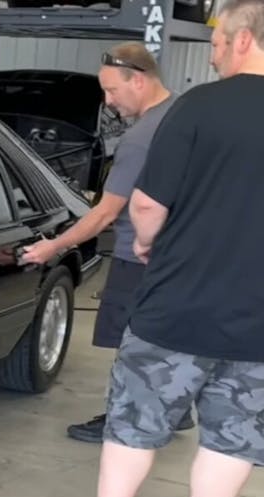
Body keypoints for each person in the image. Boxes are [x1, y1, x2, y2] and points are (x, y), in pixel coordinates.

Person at [48, 0, 264, 497]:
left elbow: (146, 205)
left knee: (136, 420)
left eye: (219, 38)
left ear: (244, 38)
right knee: (234, 434)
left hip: (177, 307)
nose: (214, 49)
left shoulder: (198, 107)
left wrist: (148, 244)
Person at [21, 42, 193, 444]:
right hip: (183, 255)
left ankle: (123, 420)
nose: (108, 101)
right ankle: (176, 410)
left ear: (139, 79)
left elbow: (104, 214)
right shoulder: (184, 113)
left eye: (112, 91)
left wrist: (54, 246)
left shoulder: (140, 139)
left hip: (141, 256)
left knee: (132, 344)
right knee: (168, 337)